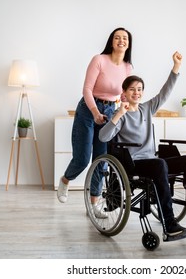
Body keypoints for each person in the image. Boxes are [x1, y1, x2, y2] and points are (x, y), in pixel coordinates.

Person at [99, 51, 186, 236]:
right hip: (133, 164)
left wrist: (176, 67)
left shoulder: (147, 108)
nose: (136, 92)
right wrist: (118, 114)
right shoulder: (121, 115)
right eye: (132, 89)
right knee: (160, 164)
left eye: (139, 89)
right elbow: (103, 137)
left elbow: (165, 92)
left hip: (154, 161)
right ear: (124, 93)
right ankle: (169, 222)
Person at [57, 27, 133, 219]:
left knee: (102, 160)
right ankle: (66, 179)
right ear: (111, 41)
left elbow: (123, 93)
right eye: (117, 37)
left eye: (124, 38)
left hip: (110, 111)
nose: (121, 41)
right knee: (83, 158)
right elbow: (87, 89)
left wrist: (126, 105)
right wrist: (95, 112)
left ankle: (93, 206)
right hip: (88, 109)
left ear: (128, 43)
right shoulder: (99, 60)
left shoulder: (127, 67)